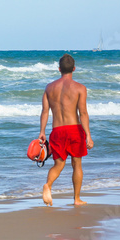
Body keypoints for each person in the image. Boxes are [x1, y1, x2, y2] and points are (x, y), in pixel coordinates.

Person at [39, 54, 94, 206]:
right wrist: (88, 135)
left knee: (58, 165)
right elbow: (83, 113)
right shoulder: (80, 88)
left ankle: (48, 185)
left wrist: (42, 132)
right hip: (74, 130)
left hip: (57, 130)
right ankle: (76, 199)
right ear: (74, 69)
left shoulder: (49, 88)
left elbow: (45, 111)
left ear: (59, 69)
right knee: (77, 164)